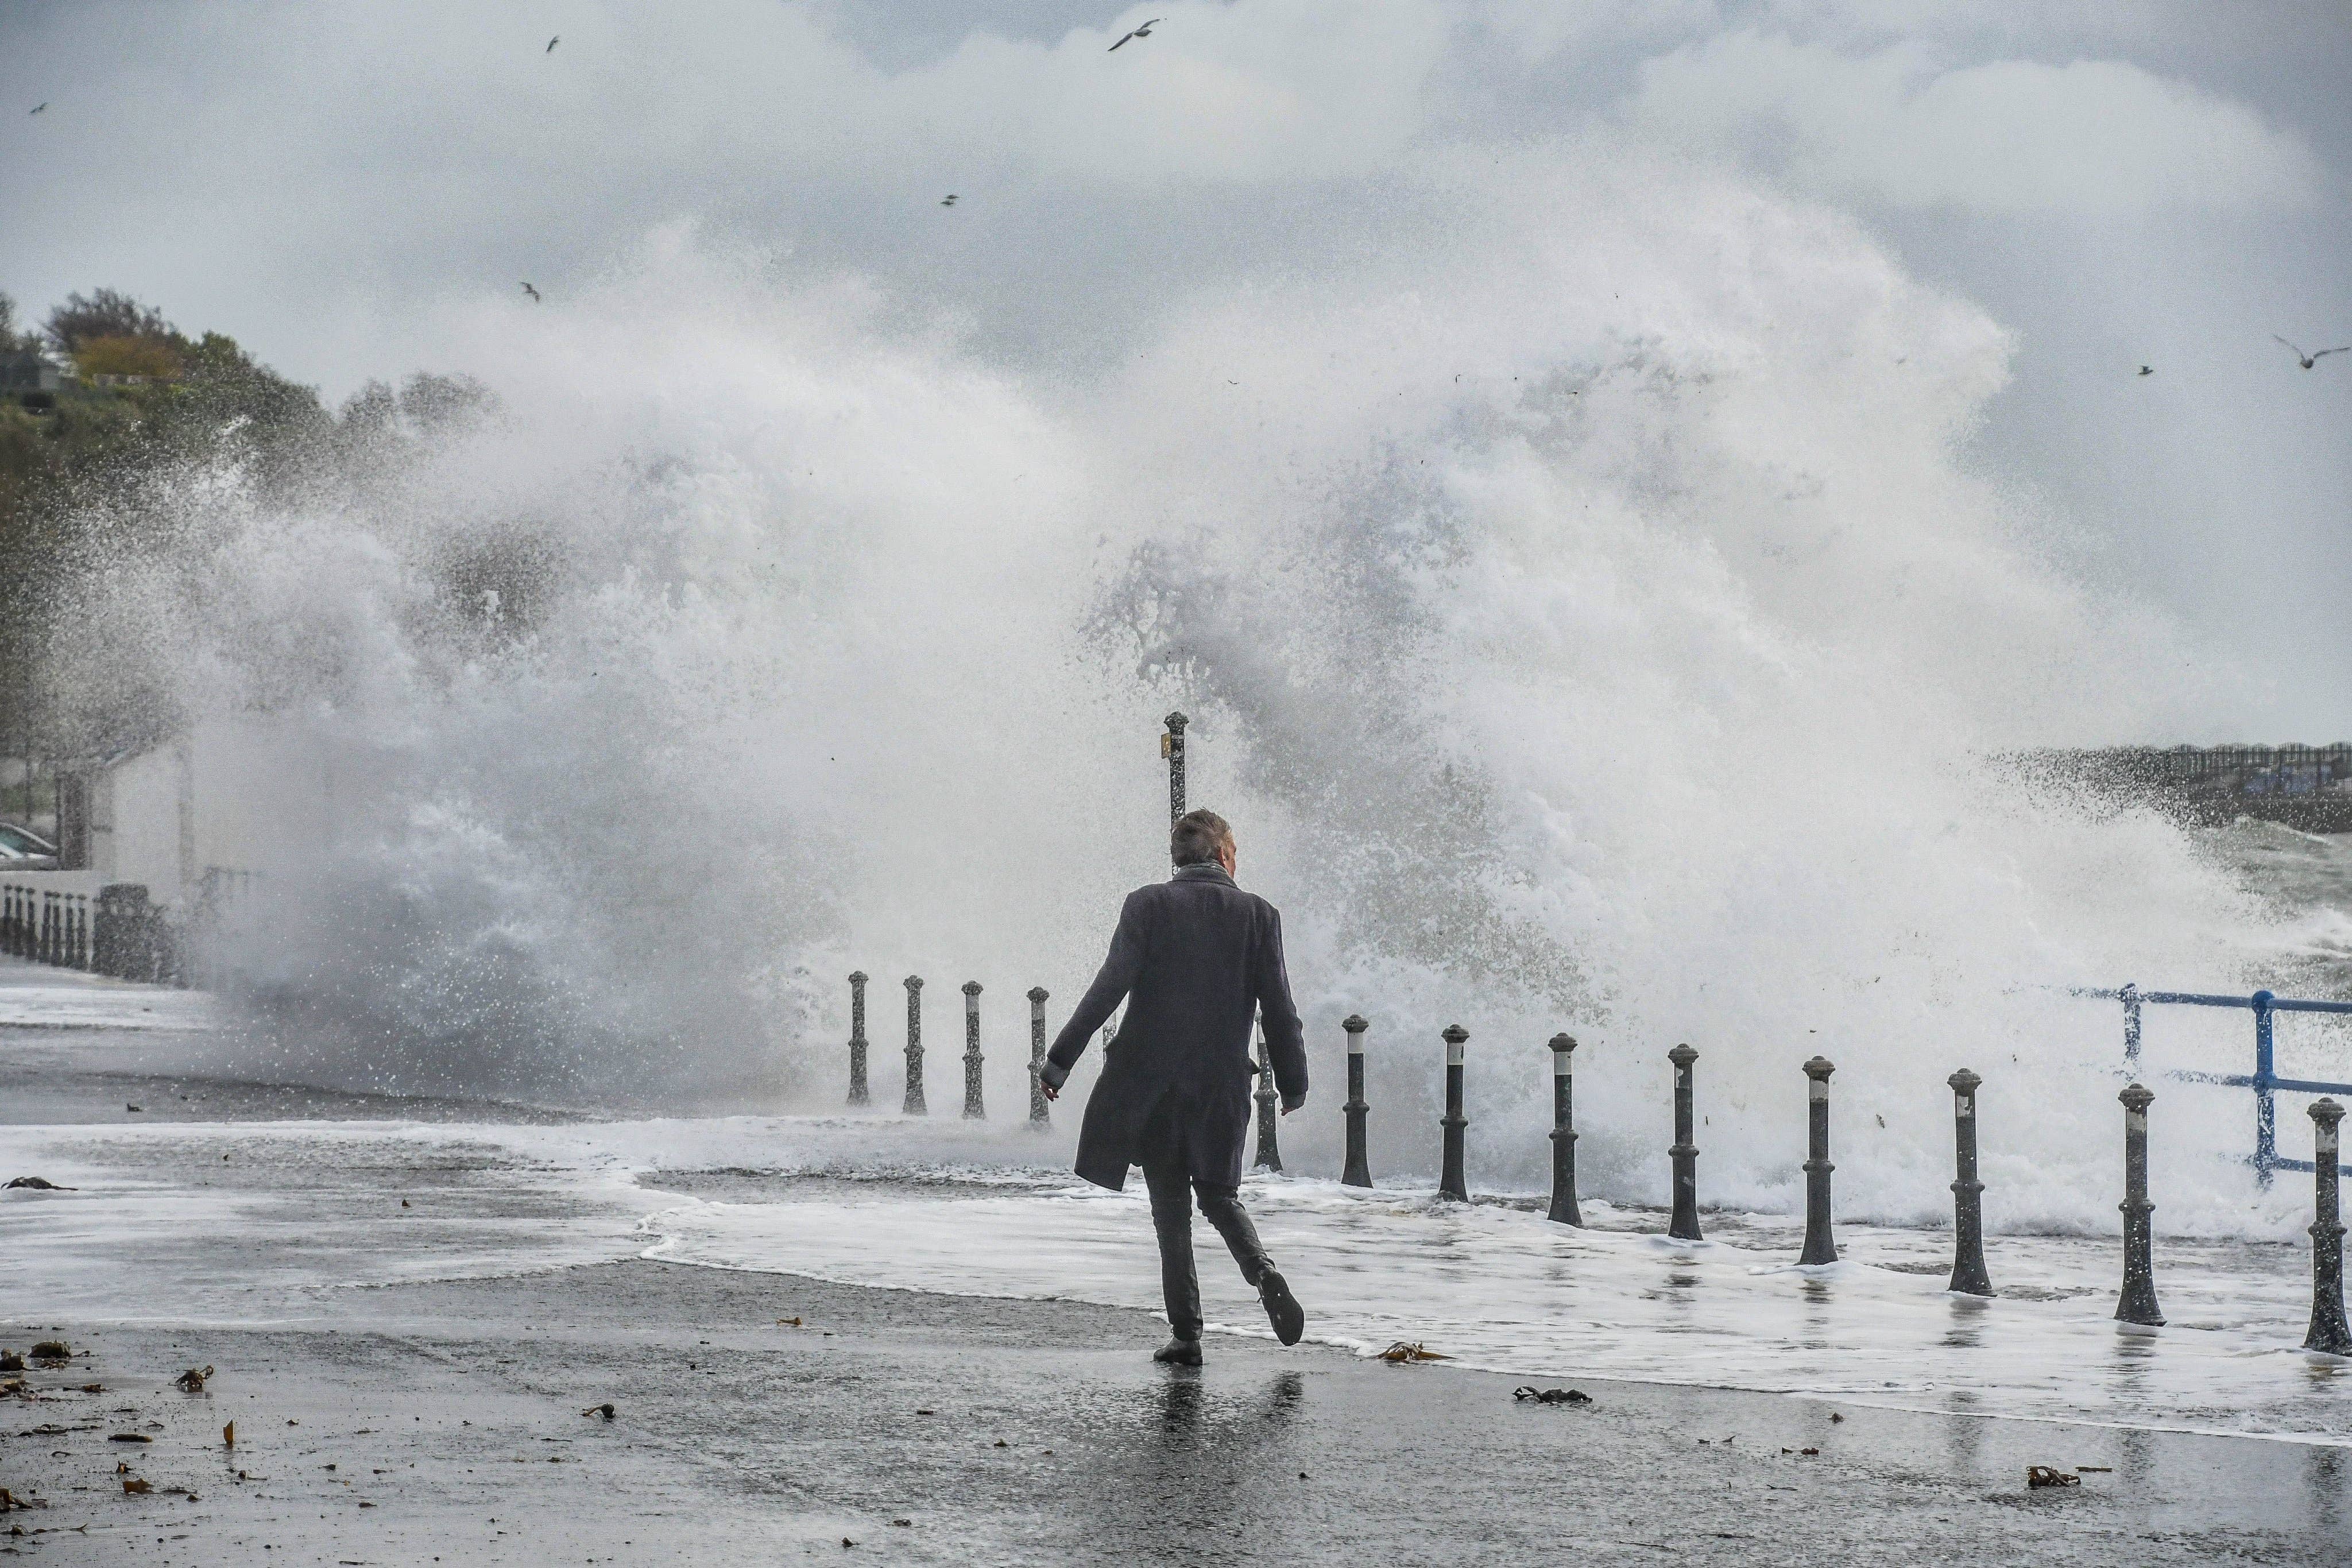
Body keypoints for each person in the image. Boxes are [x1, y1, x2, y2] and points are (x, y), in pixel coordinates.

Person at [1039, 809, 1309, 1365]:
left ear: (1178, 859)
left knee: (1170, 1207)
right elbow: (1280, 1009)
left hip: (1154, 1085)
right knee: (1219, 1195)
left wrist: (1060, 1060)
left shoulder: (1148, 904)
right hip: (1220, 1083)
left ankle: (1187, 1336)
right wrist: (1293, 1081)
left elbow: (1107, 988)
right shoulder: (1258, 915)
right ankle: (1263, 1273)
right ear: (1226, 856)